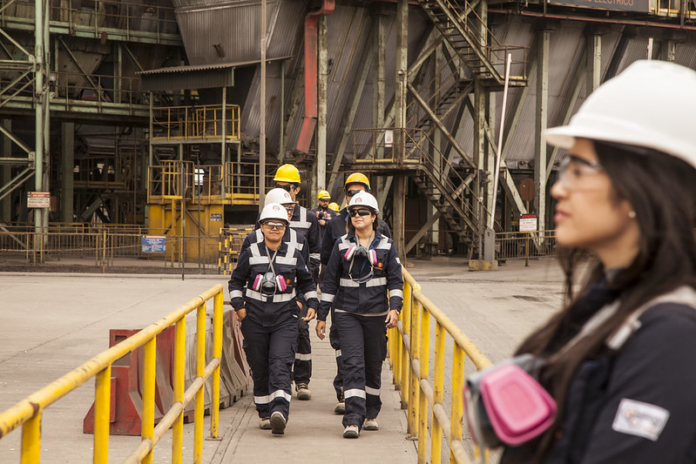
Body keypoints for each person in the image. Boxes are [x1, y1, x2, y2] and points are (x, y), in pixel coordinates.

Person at [499, 60, 696, 463]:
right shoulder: (610, 303)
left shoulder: (673, 337)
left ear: (644, 186)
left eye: (578, 170)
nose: (559, 189)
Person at [316, 191, 403, 439]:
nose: (357, 216)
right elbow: (330, 282)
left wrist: (395, 308)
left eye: (363, 212)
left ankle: (371, 412)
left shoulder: (386, 245)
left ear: (374, 217)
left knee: (373, 363)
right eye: (353, 212)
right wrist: (323, 316)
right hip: (347, 313)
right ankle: (353, 419)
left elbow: (396, 282)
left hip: (377, 314)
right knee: (352, 363)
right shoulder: (341, 245)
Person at [228, 203, 318, 435]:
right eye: (270, 224)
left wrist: (311, 303)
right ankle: (265, 411)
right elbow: (235, 283)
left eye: (280, 225)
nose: (275, 229)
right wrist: (240, 309)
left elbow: (307, 282)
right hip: (254, 318)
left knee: (280, 361)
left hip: (284, 318)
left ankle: (280, 410)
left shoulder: (293, 253)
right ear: (262, 227)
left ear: (286, 227)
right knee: (259, 366)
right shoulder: (251, 252)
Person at [273, 164, 320, 401]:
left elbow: (314, 260)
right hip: (273, 291)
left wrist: (303, 296)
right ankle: (278, 380)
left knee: (300, 330)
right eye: (277, 186)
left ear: (297, 189)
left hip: (298, 289)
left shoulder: (309, 218)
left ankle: (301, 380)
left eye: (285, 187)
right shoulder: (267, 216)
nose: (281, 191)